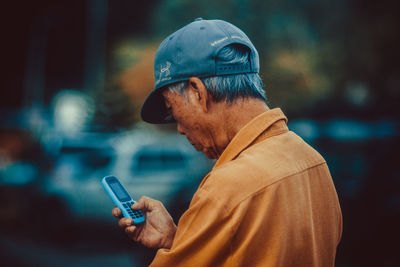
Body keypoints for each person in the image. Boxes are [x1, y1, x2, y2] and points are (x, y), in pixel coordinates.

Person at [112, 18, 342, 266]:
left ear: (197, 91)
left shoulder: (227, 187)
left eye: (172, 109)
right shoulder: (314, 163)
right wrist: (179, 240)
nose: (178, 128)